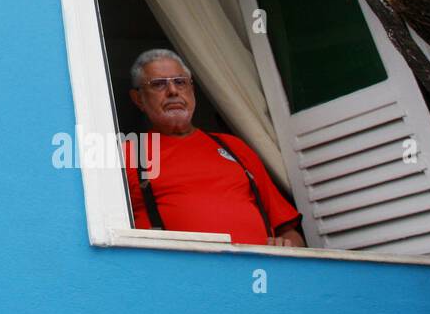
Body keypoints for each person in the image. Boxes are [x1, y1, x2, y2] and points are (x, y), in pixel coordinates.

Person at [124, 49, 305, 247]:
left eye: (180, 82)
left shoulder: (233, 147)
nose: (173, 91)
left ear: (191, 90)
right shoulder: (128, 154)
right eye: (158, 84)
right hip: (180, 273)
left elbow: (289, 232)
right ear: (138, 99)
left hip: (259, 271)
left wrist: (287, 247)